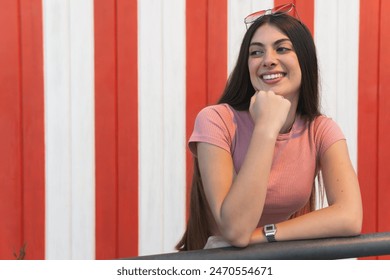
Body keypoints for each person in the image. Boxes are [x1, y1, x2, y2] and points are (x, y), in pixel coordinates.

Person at [176, 3, 362, 251]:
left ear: (304, 61)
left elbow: (350, 217)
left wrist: (261, 236)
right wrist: (266, 126)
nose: (268, 60)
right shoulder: (216, 120)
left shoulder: (321, 130)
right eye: (256, 52)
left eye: (282, 48)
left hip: (278, 261)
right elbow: (235, 227)